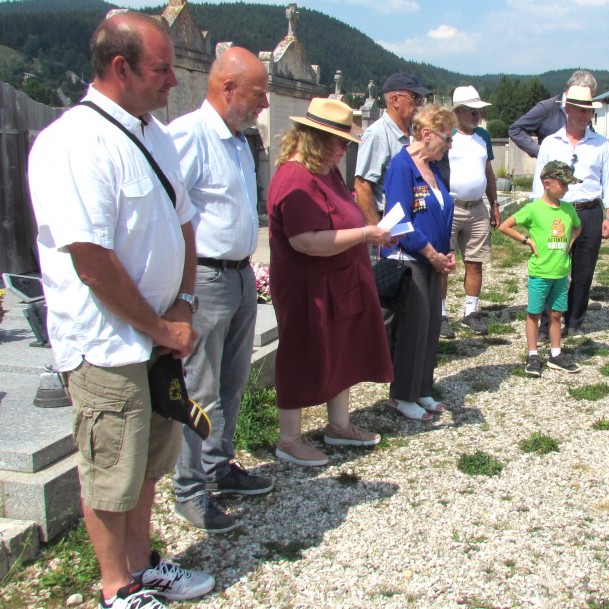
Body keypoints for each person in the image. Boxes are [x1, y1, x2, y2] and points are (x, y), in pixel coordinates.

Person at [27, 11, 214, 609]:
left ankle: (141, 564)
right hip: (107, 345)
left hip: (160, 336)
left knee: (148, 463)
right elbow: (92, 261)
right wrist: (161, 326)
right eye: (162, 69)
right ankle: (116, 587)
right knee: (111, 469)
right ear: (120, 67)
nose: (173, 81)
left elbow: (184, 224)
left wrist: (182, 305)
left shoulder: (152, 133)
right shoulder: (74, 143)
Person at [167, 47, 272, 534]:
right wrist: (183, 292)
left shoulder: (236, 141)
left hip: (239, 274)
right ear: (228, 89)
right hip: (206, 278)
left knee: (231, 382)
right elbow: (169, 215)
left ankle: (218, 466)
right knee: (200, 389)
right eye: (258, 93)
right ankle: (189, 489)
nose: (264, 104)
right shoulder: (188, 137)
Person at [266, 98, 395, 467]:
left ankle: (338, 426)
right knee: (299, 353)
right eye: (341, 142)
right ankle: (289, 439)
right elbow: (305, 241)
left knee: (342, 348)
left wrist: (369, 232)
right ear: (317, 139)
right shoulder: (295, 177)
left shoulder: (327, 171)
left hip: (339, 280)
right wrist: (365, 234)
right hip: (307, 287)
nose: (345, 149)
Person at [381, 104, 457, 421]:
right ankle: (402, 395)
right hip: (410, 259)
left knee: (430, 325)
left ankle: (422, 388)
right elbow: (399, 222)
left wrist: (446, 252)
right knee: (414, 327)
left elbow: (440, 213)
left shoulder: (434, 168)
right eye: (447, 138)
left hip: (432, 260)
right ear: (426, 134)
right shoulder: (402, 167)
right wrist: (431, 253)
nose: (449, 145)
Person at [532, 85, 609, 338]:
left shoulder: (600, 144)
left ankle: (574, 321)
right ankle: (547, 324)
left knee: (583, 271)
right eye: (580, 110)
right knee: (551, 269)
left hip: (589, 211)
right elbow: (539, 181)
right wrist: (538, 215)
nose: (585, 115)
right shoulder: (551, 143)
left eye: (588, 111)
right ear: (568, 109)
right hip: (556, 212)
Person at [498, 161, 582, 376]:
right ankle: (533, 354)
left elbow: (577, 227)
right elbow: (505, 226)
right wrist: (526, 240)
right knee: (534, 313)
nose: (566, 189)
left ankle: (556, 354)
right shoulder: (534, 209)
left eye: (568, 185)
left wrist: (570, 242)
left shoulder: (568, 209)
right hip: (540, 273)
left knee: (556, 314)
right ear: (547, 184)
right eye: (563, 184)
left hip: (560, 272)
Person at [440, 85, 500, 338]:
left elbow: (488, 172)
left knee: (475, 262)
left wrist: (494, 204)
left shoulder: (483, 137)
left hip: (477, 208)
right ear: (459, 111)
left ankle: (470, 312)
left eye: (479, 112)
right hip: (450, 207)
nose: (478, 116)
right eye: (473, 112)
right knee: (443, 263)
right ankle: (440, 314)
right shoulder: (446, 135)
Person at [354, 72, 431, 225]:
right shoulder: (377, 135)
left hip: (413, 217)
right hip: (389, 221)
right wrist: (376, 229)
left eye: (421, 98)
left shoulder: (414, 133)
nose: (420, 104)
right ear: (395, 100)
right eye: (415, 97)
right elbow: (362, 186)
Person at [508, 70, 597, 159]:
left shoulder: (585, 113)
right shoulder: (547, 107)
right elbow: (515, 130)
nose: (587, 100)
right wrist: (539, 151)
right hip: (550, 166)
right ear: (571, 89)